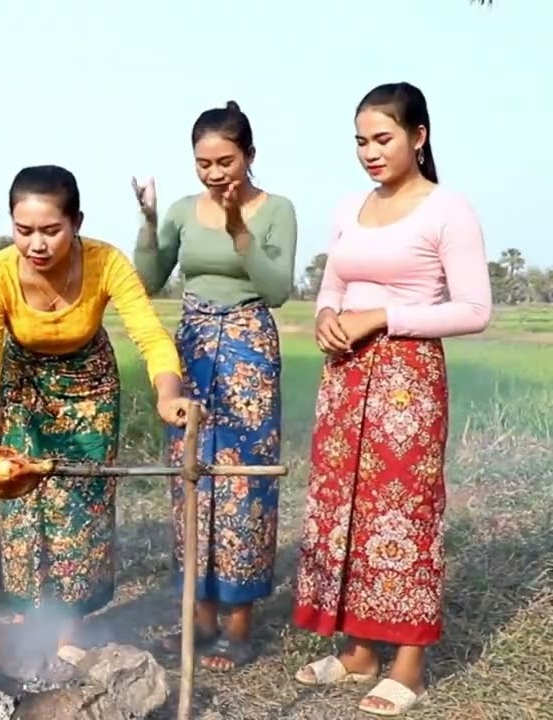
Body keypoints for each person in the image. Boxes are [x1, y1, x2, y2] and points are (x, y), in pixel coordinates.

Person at [292, 82, 491, 717]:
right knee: (343, 509)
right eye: (361, 141)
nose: (370, 153)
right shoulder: (349, 207)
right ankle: (358, 653)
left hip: (408, 381)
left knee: (402, 514)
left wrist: (382, 317)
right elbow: (332, 282)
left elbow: (474, 310)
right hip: (344, 378)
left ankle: (408, 664)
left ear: (418, 137)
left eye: (383, 139)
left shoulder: (447, 209)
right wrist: (326, 315)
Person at [0, 164, 188, 650]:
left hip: (90, 389)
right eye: (24, 231)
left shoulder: (105, 262)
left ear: (77, 222)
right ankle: (30, 625)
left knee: (80, 509)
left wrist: (168, 392)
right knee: (24, 502)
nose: (36, 245)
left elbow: (150, 334)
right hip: (22, 387)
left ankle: (68, 632)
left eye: (51, 230)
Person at [132, 101, 298, 671]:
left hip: (249, 349)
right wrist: (149, 222)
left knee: (243, 481)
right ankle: (200, 619)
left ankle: (239, 625)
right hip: (194, 348)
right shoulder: (182, 211)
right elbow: (148, 279)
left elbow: (277, 290)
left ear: (249, 156)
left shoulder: (277, 210)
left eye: (225, 161)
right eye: (203, 163)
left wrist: (238, 231)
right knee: (192, 478)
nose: (214, 173)